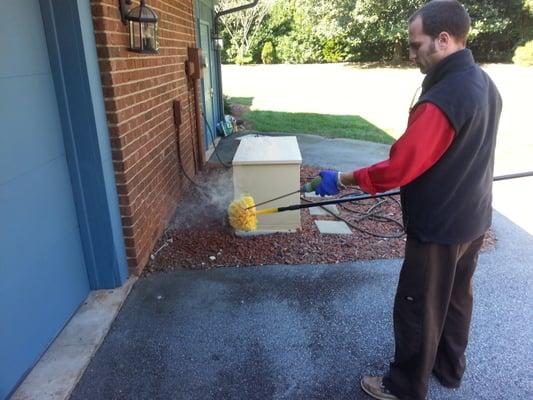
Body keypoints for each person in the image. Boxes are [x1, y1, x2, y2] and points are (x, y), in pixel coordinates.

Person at [314, 1, 502, 399]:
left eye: (417, 46)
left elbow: (401, 167)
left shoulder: (442, 100)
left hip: (439, 226)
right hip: (473, 219)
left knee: (418, 306)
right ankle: (450, 369)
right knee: (454, 298)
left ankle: (404, 386)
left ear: (444, 40)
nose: (412, 54)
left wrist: (346, 179)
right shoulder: (484, 83)